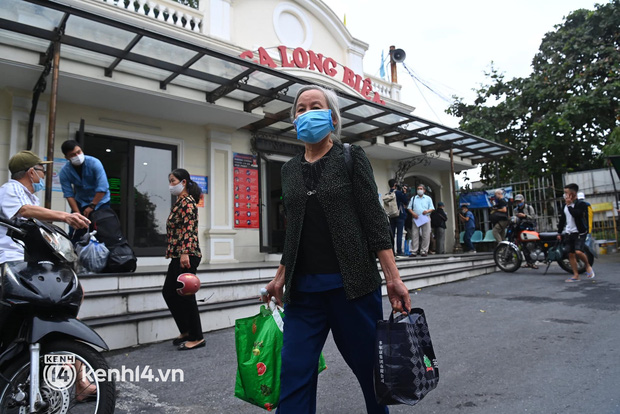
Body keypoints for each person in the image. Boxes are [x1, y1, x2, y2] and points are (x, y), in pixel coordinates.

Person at [261, 84, 411, 414]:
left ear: (332, 117)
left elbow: (374, 220)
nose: (307, 113)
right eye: (301, 109)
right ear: (294, 119)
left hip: (352, 289)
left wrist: (393, 278)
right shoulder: (288, 169)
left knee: (371, 373)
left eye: (316, 106)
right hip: (304, 294)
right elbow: (294, 230)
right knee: (294, 375)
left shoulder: (351, 157)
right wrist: (279, 278)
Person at [0, 150, 91, 398]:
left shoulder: (30, 197)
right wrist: (64, 215)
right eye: (42, 170)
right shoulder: (10, 190)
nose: (44, 175)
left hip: (28, 264)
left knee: (68, 302)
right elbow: (23, 211)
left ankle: (78, 379)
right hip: (12, 265)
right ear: (31, 172)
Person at [163, 168, 205, 350]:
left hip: (186, 255)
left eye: (173, 181)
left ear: (184, 182)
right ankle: (186, 330)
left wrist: (185, 253)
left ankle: (197, 337)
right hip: (178, 255)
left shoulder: (187, 202)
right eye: (170, 181)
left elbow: (188, 228)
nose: (171, 185)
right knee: (169, 292)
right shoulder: (179, 202)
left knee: (187, 296)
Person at [58, 140, 111, 241]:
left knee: (103, 232)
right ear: (67, 157)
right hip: (80, 202)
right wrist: (77, 213)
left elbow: (103, 187)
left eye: (78, 152)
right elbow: (69, 195)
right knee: (76, 232)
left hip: (101, 202)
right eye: (73, 155)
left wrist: (92, 206)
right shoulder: (64, 172)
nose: (77, 156)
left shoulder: (94, 163)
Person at [557, 183, 595, 282]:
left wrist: (570, 205)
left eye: (566, 193)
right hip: (569, 232)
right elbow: (562, 220)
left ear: (573, 193)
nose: (565, 195)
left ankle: (587, 265)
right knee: (571, 254)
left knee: (578, 251)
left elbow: (577, 214)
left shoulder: (581, 204)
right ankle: (575, 275)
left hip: (579, 232)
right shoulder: (564, 206)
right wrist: (559, 232)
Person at [407, 184, 434, 257]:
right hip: (416, 218)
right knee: (414, 234)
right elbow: (409, 208)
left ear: (424, 190)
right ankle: (414, 251)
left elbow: (432, 208)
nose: (419, 190)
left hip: (425, 217)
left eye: (421, 189)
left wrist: (427, 211)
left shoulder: (428, 198)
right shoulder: (413, 198)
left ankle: (424, 251)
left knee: (426, 235)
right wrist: (413, 214)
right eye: (418, 189)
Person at [388, 179, 408, 257]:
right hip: (399, 215)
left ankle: (392, 251)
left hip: (391, 215)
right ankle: (399, 251)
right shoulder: (398, 193)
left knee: (392, 234)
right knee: (399, 233)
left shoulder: (388, 193)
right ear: (395, 185)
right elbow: (405, 201)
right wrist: (404, 193)